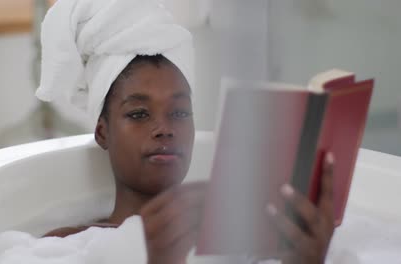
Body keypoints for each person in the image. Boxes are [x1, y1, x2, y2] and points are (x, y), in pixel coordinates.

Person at [36, 0, 336, 263]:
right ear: (102, 132)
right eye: (139, 114)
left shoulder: (245, 243)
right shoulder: (67, 247)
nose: (164, 129)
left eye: (180, 113)